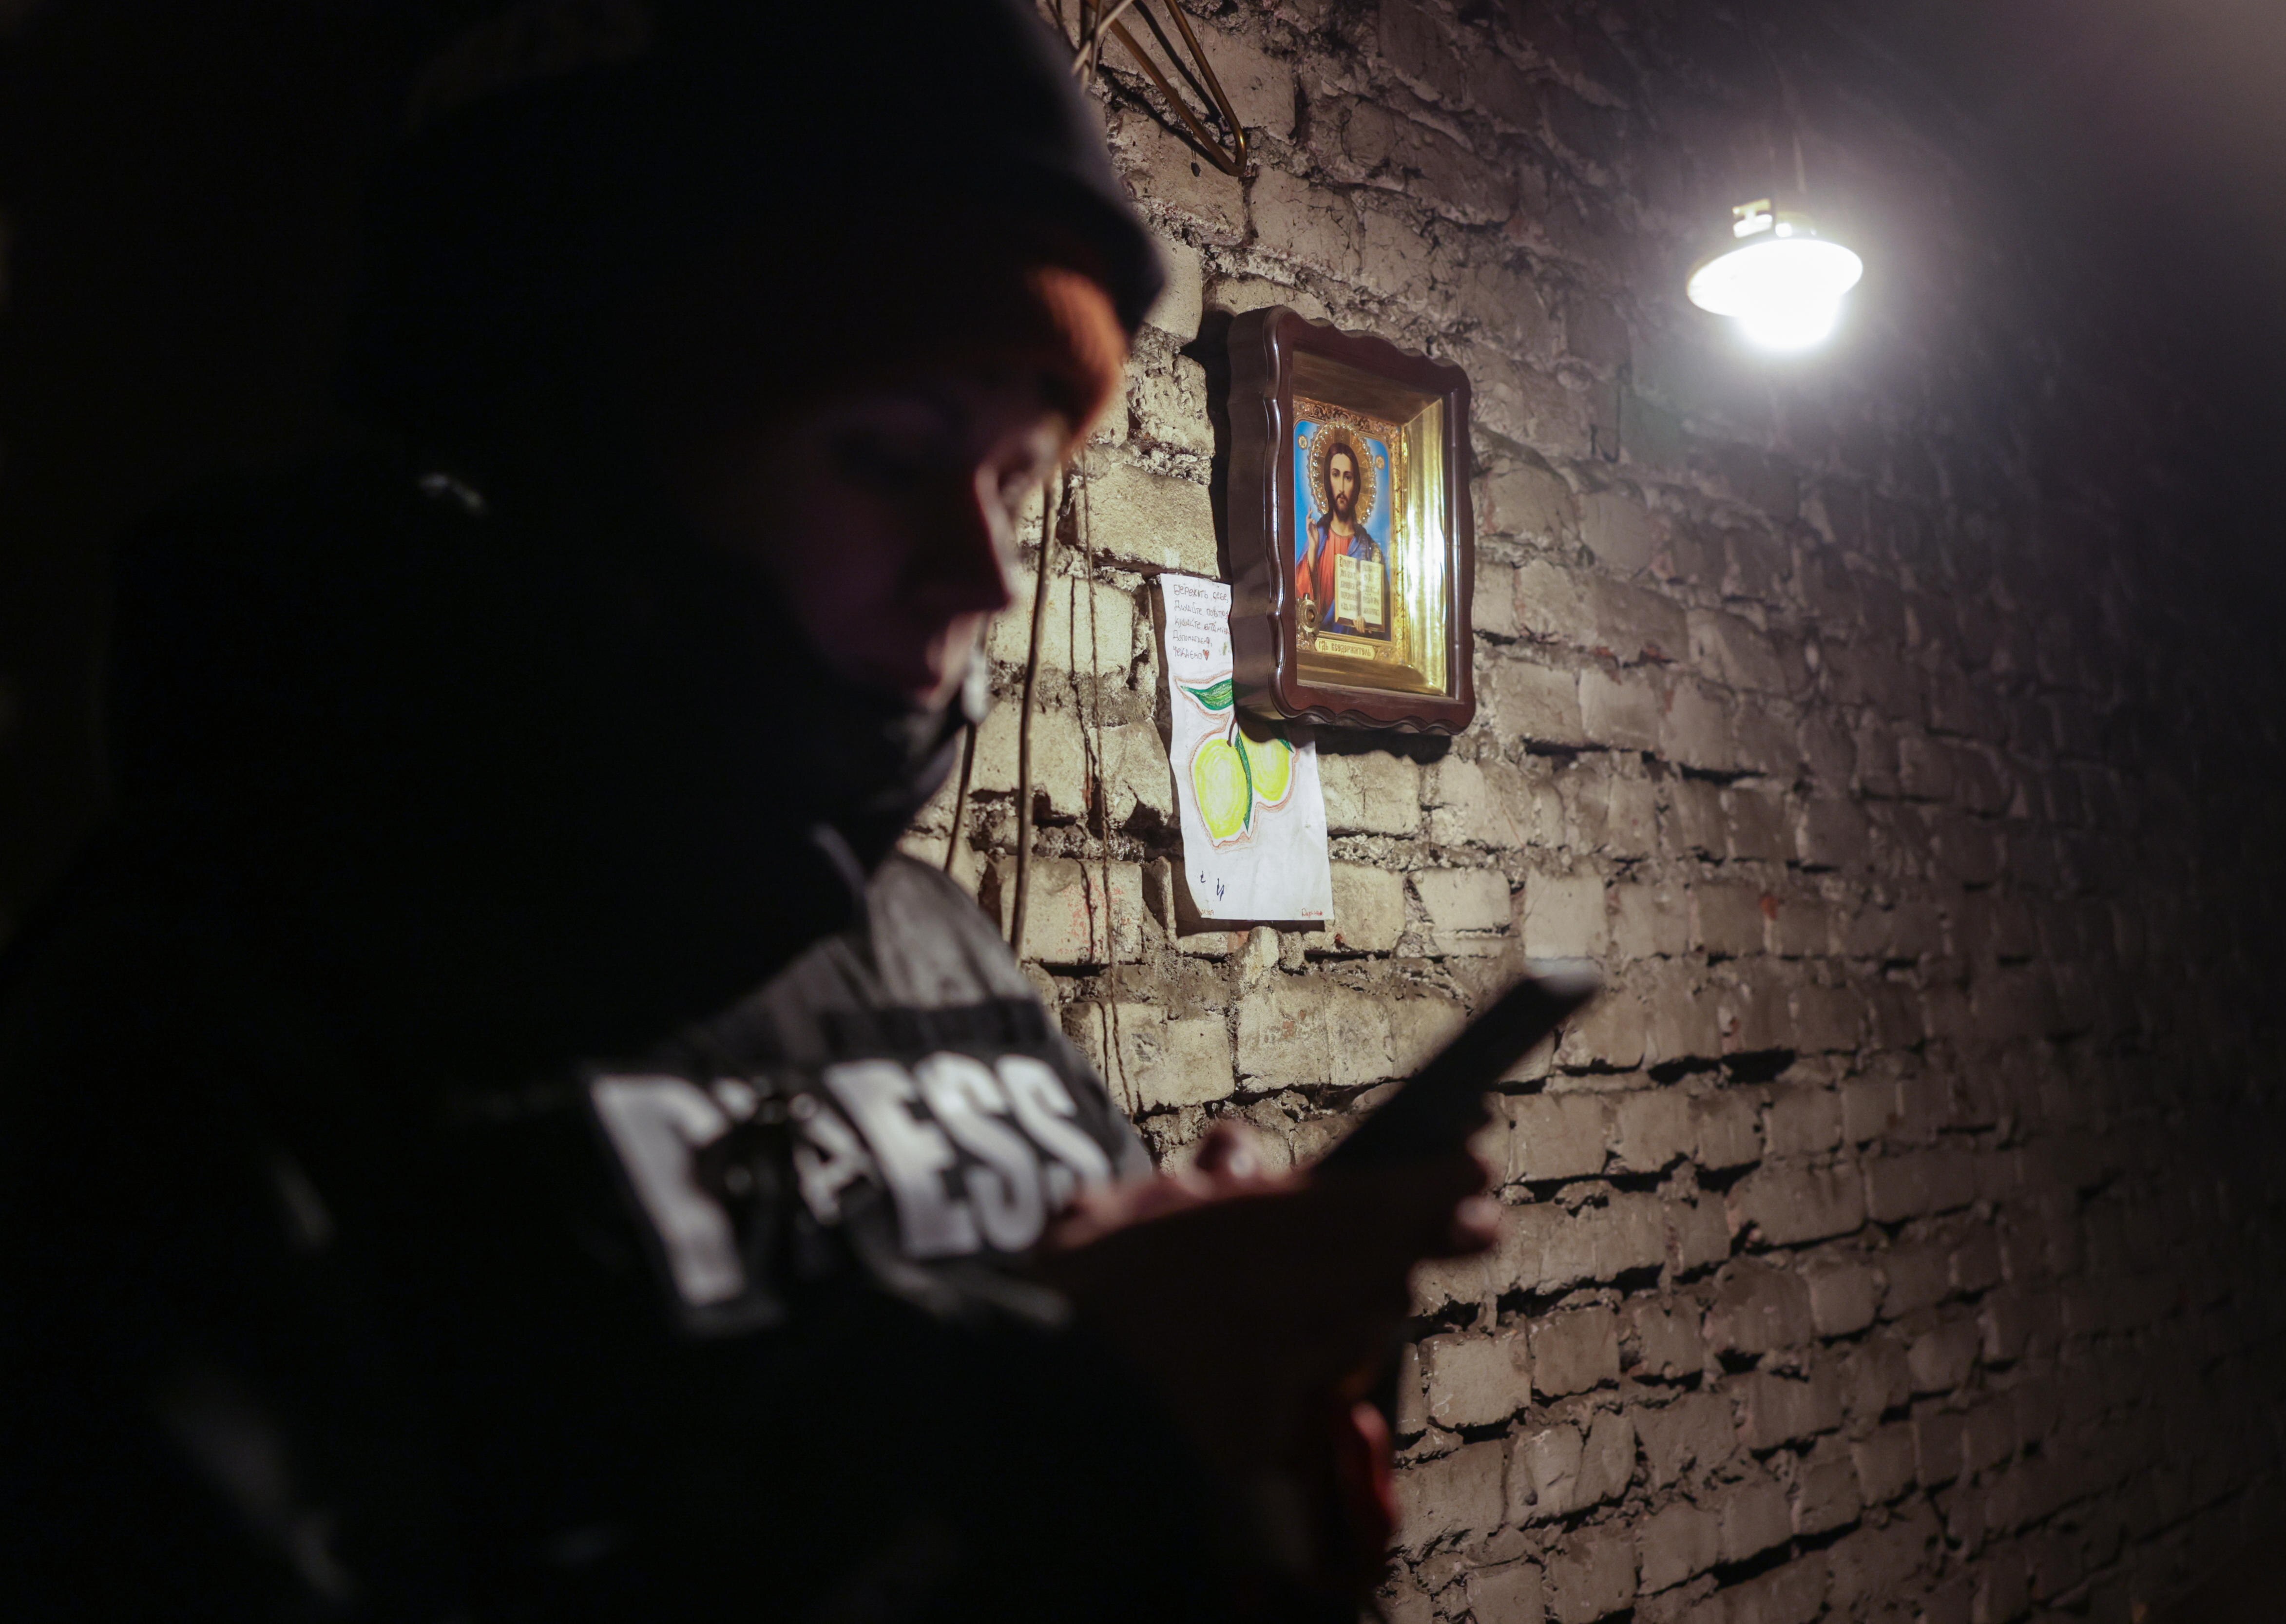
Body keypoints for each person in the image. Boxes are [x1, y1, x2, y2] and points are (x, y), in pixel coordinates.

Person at [0, 2, 1494, 1620]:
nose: (983, 573)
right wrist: (1049, 1403)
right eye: (887, 457)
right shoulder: (205, 1013)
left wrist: (1246, 1377)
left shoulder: (913, 938)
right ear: (597, 455)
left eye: (1012, 479)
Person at [1298, 433, 1388, 638]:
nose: (1341, 487)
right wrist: (1312, 550)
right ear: (1327, 480)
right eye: (1335, 475)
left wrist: (1368, 626)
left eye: (1348, 477)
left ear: (1356, 484)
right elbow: (1302, 606)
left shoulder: (1370, 549)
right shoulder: (1318, 537)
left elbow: (1384, 614)